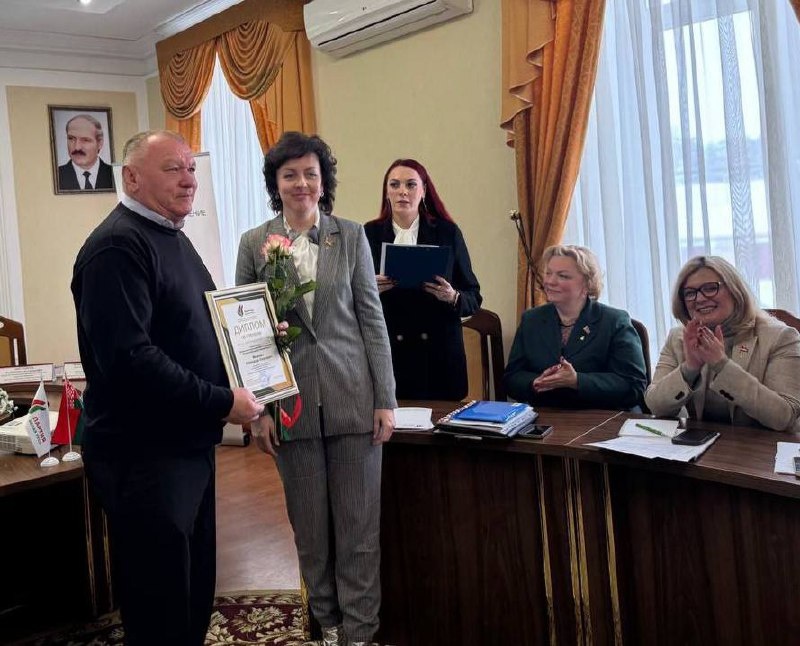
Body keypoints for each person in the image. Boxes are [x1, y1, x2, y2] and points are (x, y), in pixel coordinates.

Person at [71, 130, 264, 646]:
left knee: (192, 591)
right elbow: (132, 361)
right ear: (132, 178)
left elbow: (194, 329)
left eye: (192, 168)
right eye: (173, 169)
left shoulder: (172, 236)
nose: (189, 180)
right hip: (144, 457)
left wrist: (256, 346)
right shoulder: (117, 247)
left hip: (185, 447)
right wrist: (222, 401)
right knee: (160, 604)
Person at [237, 132, 396, 646]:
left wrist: (385, 399)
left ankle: (361, 634)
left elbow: (372, 321)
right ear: (276, 184)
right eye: (290, 175)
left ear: (323, 181)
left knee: (359, 532)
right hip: (290, 407)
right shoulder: (254, 243)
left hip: (354, 400)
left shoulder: (350, 236)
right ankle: (328, 626)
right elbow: (248, 333)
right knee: (310, 532)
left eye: (310, 173)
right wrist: (259, 410)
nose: (301, 183)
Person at [363, 159, 482, 400]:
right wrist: (369, 289)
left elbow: (473, 295)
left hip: (439, 355)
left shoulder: (447, 232)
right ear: (386, 192)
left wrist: (453, 296)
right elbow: (349, 295)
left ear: (424, 191)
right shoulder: (368, 233)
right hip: (389, 352)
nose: (402, 191)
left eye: (411, 184)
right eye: (394, 185)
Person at [645, 255, 800, 430]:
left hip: (763, 445)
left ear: (735, 291)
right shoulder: (678, 337)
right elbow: (655, 405)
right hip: (703, 444)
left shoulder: (781, 337)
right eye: (690, 293)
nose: (699, 299)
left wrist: (722, 365)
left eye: (711, 288)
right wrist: (690, 368)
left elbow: (784, 417)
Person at [504, 244, 647, 409]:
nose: (550, 281)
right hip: (546, 415)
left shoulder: (615, 321)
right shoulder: (531, 320)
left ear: (587, 284)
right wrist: (535, 382)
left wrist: (577, 381)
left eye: (563, 276)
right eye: (548, 273)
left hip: (602, 416)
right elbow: (511, 378)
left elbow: (634, 386)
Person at [57, 114, 115, 191]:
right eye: (71, 138)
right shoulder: (56, 175)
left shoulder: (115, 175)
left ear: (100, 143)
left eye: (85, 140)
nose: (77, 147)